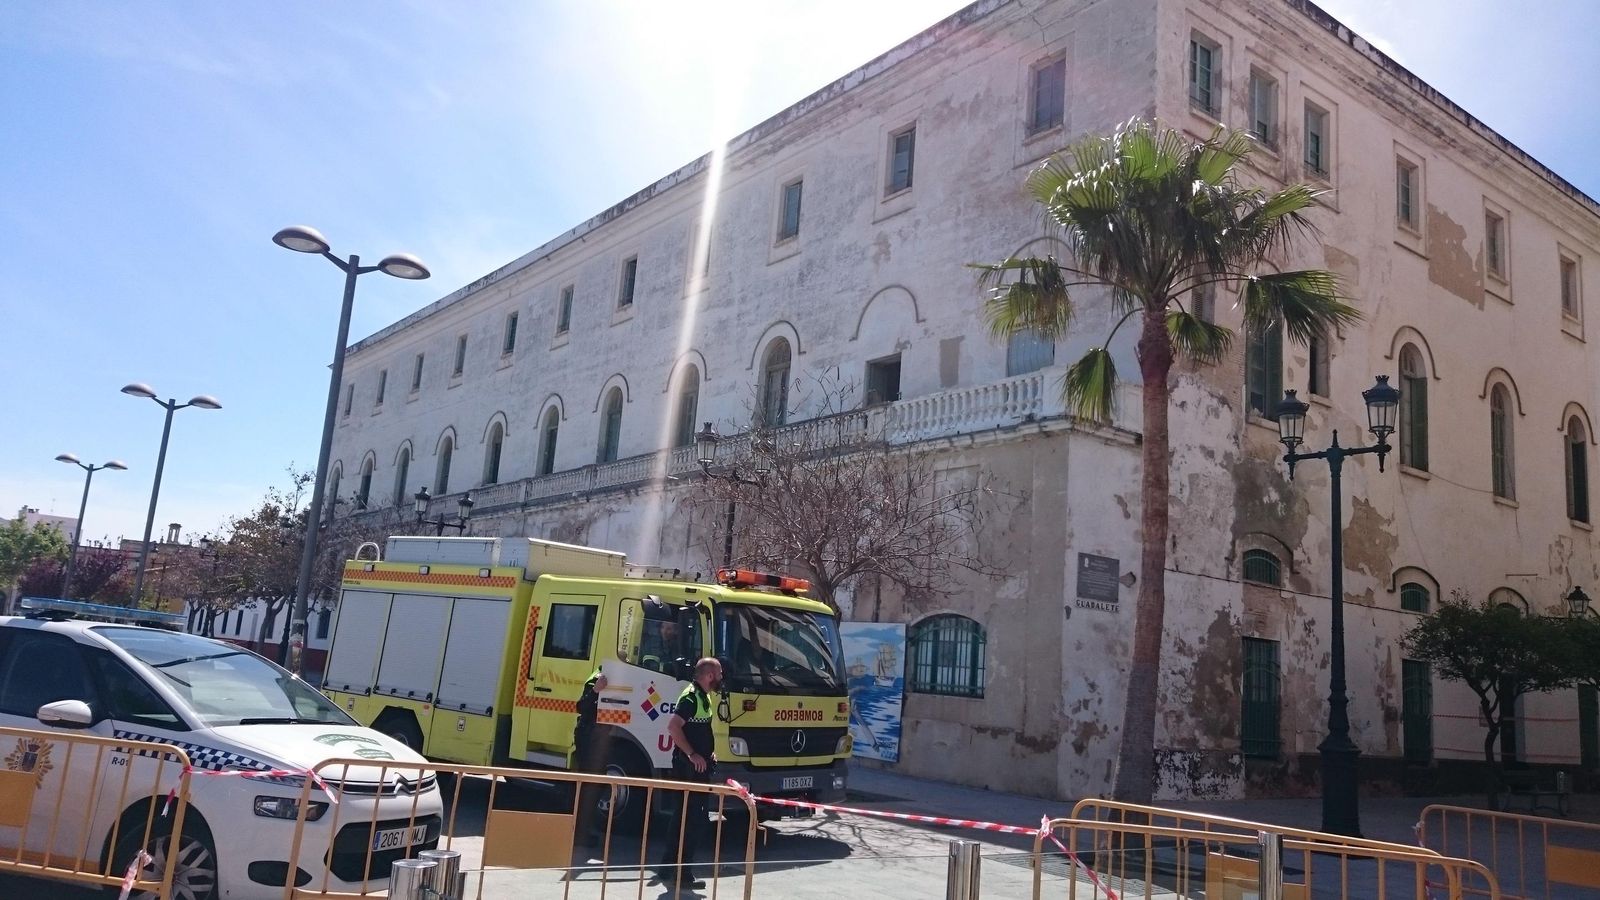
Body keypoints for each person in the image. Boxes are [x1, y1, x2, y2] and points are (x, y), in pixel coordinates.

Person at [657, 656, 721, 892]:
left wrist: (708, 753)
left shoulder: (702, 696)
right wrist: (693, 754)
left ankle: (667, 868)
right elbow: (674, 727)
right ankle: (682, 873)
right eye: (719, 673)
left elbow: (699, 729)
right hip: (689, 770)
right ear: (709, 676)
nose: (722, 678)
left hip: (696, 768)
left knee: (681, 818)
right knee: (691, 820)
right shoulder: (691, 697)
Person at [572, 666, 608, 839]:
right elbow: (581, 706)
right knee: (587, 785)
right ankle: (579, 833)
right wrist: (595, 690)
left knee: (595, 785)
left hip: (596, 736)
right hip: (587, 735)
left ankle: (583, 830)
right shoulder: (597, 679)